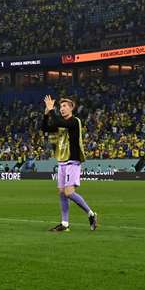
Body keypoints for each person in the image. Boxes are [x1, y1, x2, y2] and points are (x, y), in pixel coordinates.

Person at [41, 95, 97, 232]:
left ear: (72, 108)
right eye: (60, 107)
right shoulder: (59, 123)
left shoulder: (75, 121)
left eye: (65, 106)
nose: (62, 109)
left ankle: (91, 214)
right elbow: (45, 128)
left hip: (73, 160)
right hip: (62, 161)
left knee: (69, 192)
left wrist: (51, 110)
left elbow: (62, 123)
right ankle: (64, 224)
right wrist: (46, 114)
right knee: (61, 192)